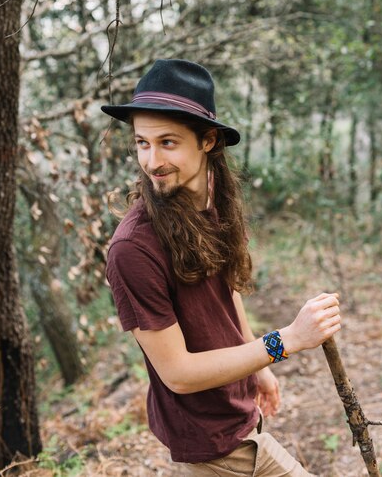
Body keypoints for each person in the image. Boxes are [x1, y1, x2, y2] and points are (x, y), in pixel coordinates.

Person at [101, 59, 341, 476]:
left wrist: (260, 368)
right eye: (142, 143)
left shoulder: (213, 197)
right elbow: (178, 374)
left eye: (168, 142)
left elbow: (225, 285)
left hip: (240, 420)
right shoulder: (133, 249)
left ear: (208, 141)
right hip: (212, 445)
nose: (152, 160)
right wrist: (283, 342)